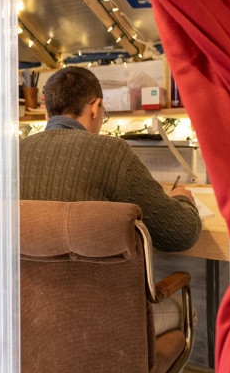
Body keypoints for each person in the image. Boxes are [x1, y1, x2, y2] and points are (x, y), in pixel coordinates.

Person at [20, 65, 201, 252]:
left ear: (47, 115)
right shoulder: (111, 152)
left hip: (30, 282)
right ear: (95, 107)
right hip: (96, 281)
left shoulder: (16, 153)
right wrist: (182, 198)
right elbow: (182, 233)